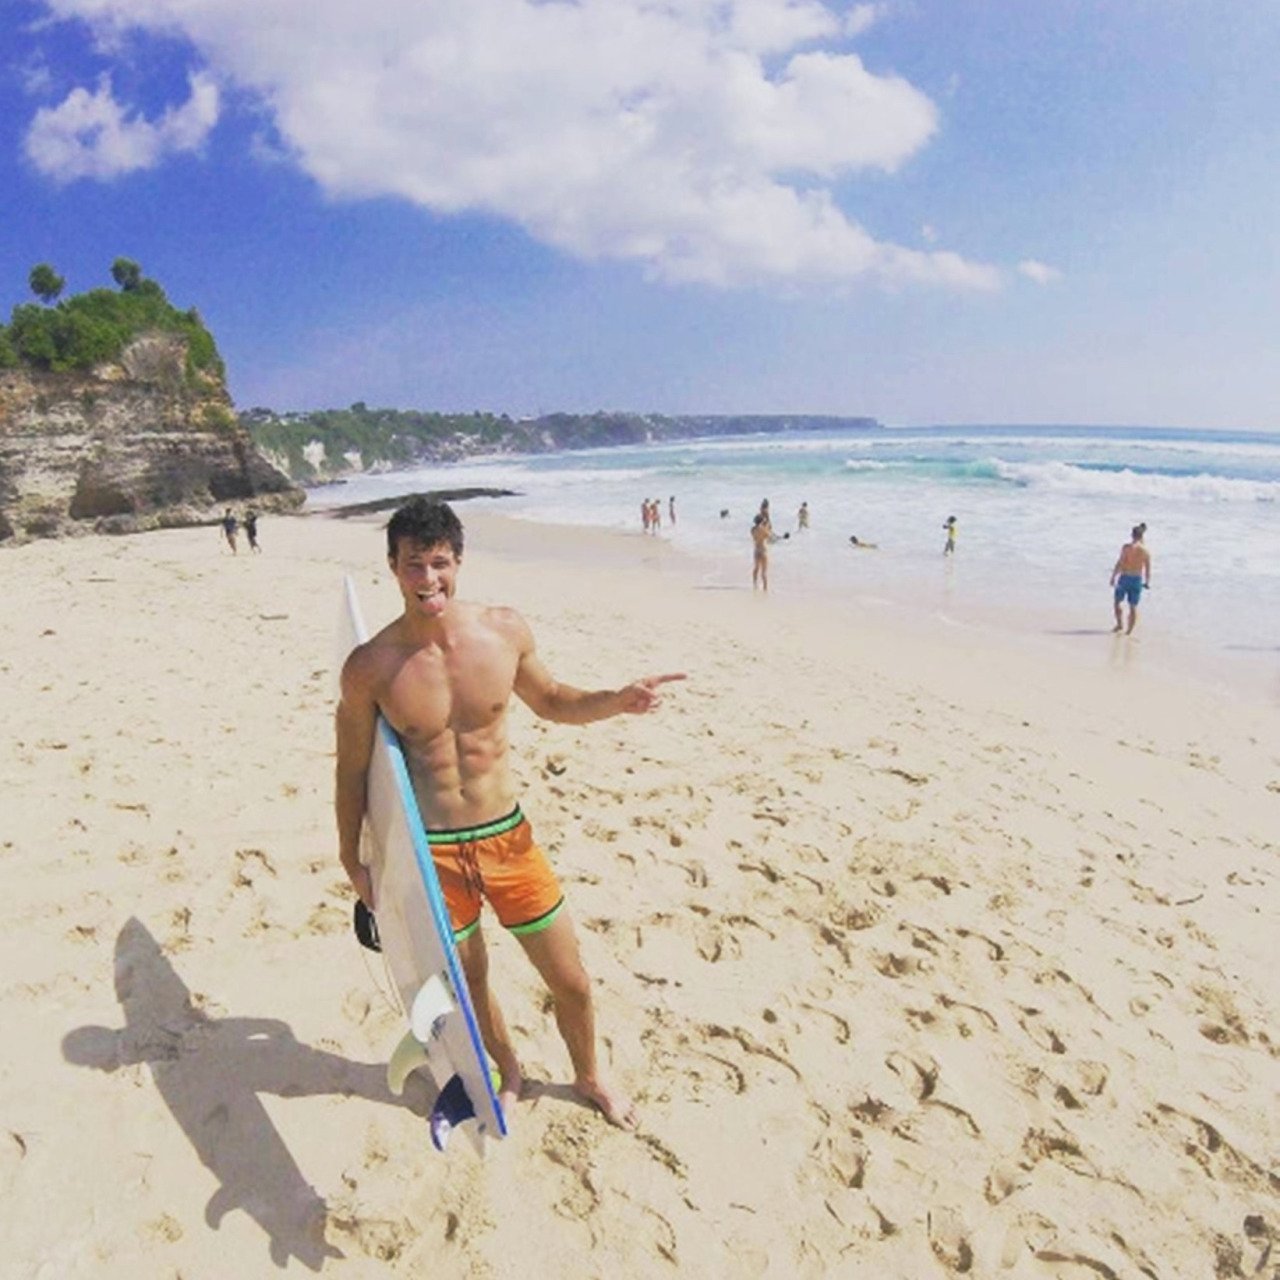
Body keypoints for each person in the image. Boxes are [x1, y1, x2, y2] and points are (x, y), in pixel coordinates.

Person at [336, 498, 684, 1130]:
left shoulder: (503, 632)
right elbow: (353, 767)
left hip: (508, 840)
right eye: (414, 565)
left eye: (439, 563)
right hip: (433, 853)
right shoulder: (371, 667)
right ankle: (509, 1070)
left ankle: (589, 1076)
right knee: (471, 981)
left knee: (571, 980)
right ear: (392, 567)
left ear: (458, 562)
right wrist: (352, 857)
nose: (428, 579)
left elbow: (552, 700)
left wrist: (616, 700)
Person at [1110, 523, 1151, 635]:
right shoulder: (1145, 551)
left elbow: (1120, 563)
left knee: (1117, 602)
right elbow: (1147, 569)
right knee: (1133, 606)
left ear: (1132, 535)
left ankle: (1119, 624)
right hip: (1137, 579)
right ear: (1142, 536)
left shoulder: (1126, 548)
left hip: (1125, 577)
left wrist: (1113, 576)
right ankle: (1129, 631)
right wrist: (1147, 582)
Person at [751, 513, 770, 591]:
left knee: (756, 568)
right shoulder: (763, 529)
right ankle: (765, 588)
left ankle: (755, 584)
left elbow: (754, 537)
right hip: (763, 550)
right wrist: (766, 526)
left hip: (756, 549)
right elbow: (768, 536)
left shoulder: (752, 530)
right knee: (764, 571)